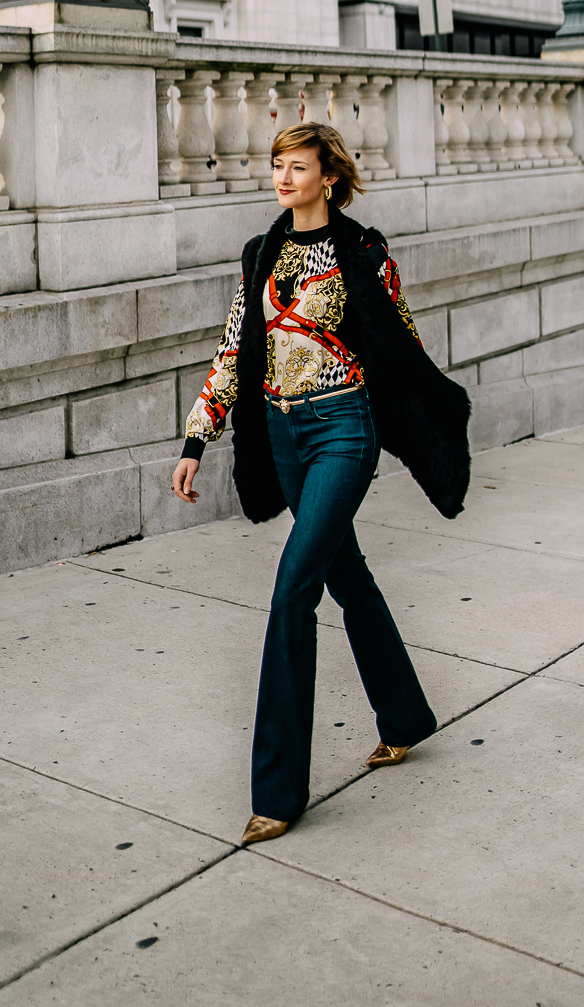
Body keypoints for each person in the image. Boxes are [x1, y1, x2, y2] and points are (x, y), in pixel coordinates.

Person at [172, 120, 471, 845]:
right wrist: (196, 440)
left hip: (343, 431)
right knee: (348, 577)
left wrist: (427, 423)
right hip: (282, 434)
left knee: (293, 588)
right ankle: (404, 716)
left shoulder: (361, 253)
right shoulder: (262, 254)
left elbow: (399, 344)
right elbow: (234, 347)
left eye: (296, 167)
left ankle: (277, 792)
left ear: (327, 178)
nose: (282, 177)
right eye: (276, 164)